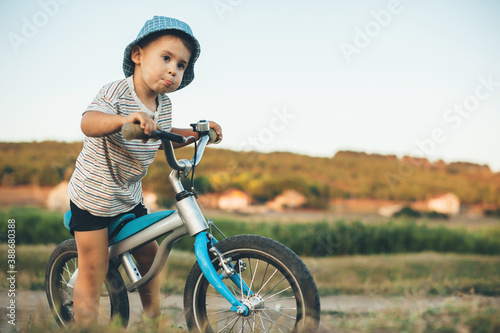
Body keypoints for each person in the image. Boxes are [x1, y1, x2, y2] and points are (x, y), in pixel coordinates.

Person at [66, 15, 222, 327]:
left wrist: (197, 132)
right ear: (138, 56)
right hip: (94, 197)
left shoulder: (163, 105)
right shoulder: (116, 92)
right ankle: (84, 325)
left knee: (149, 254)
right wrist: (123, 121)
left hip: (128, 196)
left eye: (181, 65)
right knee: (93, 267)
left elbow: (165, 133)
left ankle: (153, 319)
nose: (173, 70)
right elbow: (89, 122)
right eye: (166, 58)